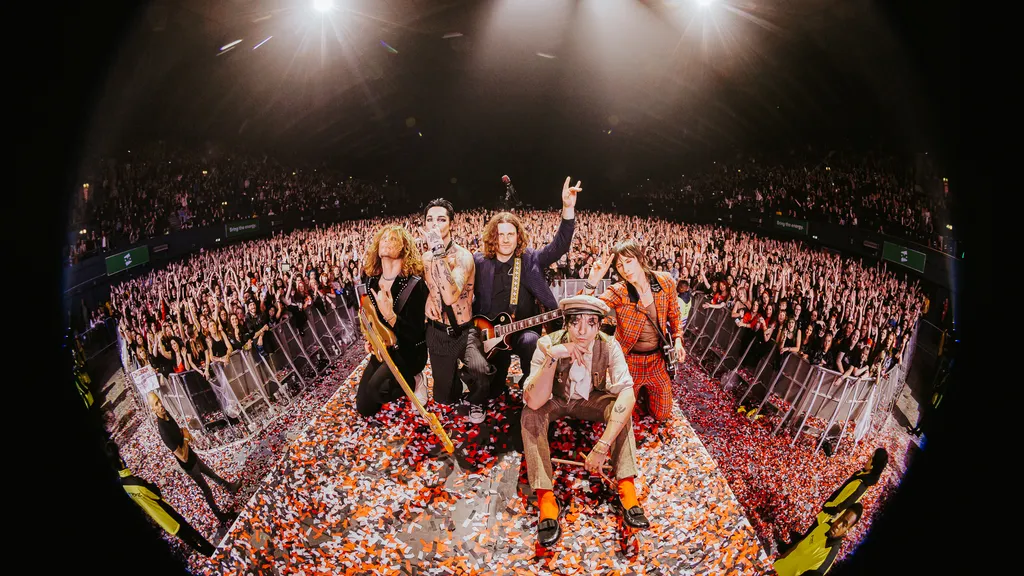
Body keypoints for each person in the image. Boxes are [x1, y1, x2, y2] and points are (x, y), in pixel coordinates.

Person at [520, 295, 649, 547]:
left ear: (599, 326)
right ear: (566, 323)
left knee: (620, 409)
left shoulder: (609, 346)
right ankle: (547, 499)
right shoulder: (547, 343)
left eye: (591, 323)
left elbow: (627, 392)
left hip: (591, 399)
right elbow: (534, 401)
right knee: (529, 415)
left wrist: (602, 446)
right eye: (576, 322)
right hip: (555, 399)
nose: (582, 330)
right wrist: (553, 358)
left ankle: (627, 489)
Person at [473, 177, 580, 400]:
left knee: (532, 342)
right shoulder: (479, 261)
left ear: (518, 236)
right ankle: (495, 380)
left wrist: (567, 209)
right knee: (493, 391)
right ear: (493, 237)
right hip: (490, 335)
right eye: (500, 234)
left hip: (524, 331)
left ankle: (530, 379)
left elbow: (559, 246)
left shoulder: (530, 259)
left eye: (510, 234)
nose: (505, 240)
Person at [583, 240, 686, 421]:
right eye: (620, 265)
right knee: (622, 416)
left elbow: (674, 314)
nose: (625, 269)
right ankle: (636, 395)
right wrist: (593, 280)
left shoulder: (665, 281)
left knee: (661, 414)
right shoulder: (619, 291)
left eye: (629, 261)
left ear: (640, 259)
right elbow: (585, 310)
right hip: (629, 361)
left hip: (657, 361)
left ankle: (647, 395)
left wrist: (677, 339)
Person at [421, 198, 494, 424]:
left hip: (464, 331)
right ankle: (455, 380)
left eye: (441, 219)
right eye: (430, 220)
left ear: (451, 224)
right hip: (437, 331)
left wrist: (438, 251)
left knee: (480, 370)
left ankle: (476, 397)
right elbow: (428, 287)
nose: (434, 224)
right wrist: (426, 300)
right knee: (445, 398)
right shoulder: (424, 258)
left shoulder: (463, 257)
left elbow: (451, 295)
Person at [355, 225, 429, 417]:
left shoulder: (414, 285)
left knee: (377, 390)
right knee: (365, 408)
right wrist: (370, 341)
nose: (387, 241)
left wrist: (391, 316)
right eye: (384, 238)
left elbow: (418, 334)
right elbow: (370, 320)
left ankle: (416, 380)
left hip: (410, 352)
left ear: (404, 249)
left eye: (394, 239)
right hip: (384, 350)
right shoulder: (371, 280)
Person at [105, 440, 217, 557]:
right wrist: (150, 485)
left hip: (159, 519)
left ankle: (209, 554)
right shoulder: (136, 483)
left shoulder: (123, 486)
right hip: (165, 512)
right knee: (191, 533)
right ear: (120, 460)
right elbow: (156, 493)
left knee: (189, 541)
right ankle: (213, 552)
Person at [147, 391, 241, 525]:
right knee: (206, 490)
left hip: (192, 455)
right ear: (152, 409)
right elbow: (182, 457)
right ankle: (219, 515)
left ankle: (230, 487)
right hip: (189, 465)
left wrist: (183, 431)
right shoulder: (163, 431)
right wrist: (185, 438)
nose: (161, 405)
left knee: (211, 473)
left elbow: (179, 433)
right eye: (156, 404)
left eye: (159, 400)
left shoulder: (167, 414)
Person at [772, 503, 864, 576]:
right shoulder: (824, 526)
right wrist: (781, 558)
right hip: (775, 568)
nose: (837, 525)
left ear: (848, 530)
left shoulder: (829, 555)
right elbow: (800, 544)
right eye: (840, 518)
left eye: (844, 524)